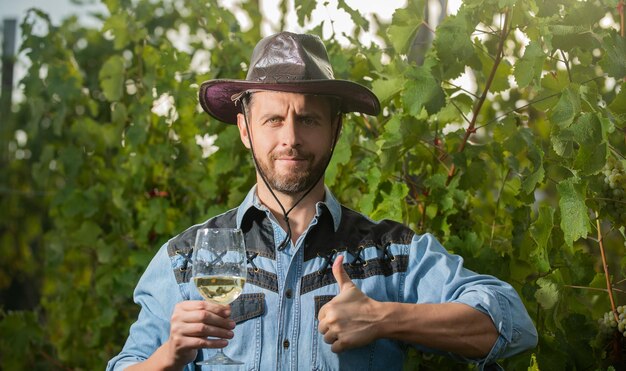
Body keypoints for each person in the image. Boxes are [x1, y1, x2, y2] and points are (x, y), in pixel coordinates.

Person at [107, 31, 538, 371]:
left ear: (335, 130)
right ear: (245, 130)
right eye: (273, 119)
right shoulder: (185, 258)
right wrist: (168, 357)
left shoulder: (391, 253)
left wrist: (385, 319)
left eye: (308, 119)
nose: (290, 139)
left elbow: (513, 325)